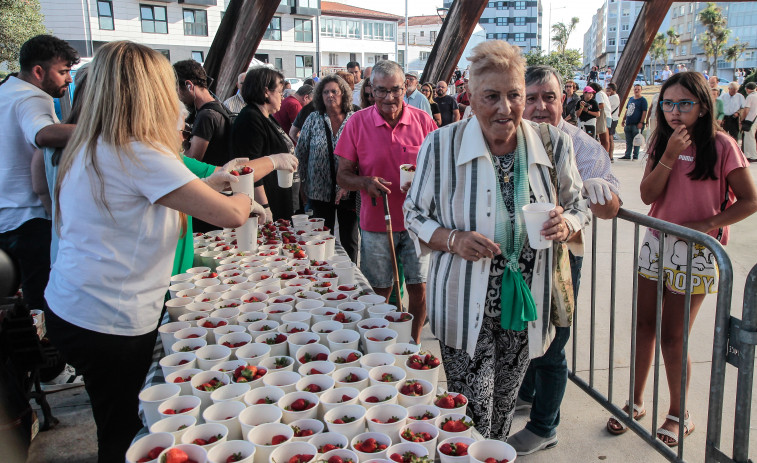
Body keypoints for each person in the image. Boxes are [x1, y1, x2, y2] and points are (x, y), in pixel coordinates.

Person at [44, 41, 255, 462]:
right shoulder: (140, 151)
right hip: (110, 320)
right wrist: (247, 188)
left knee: (113, 416)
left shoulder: (92, 143)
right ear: (152, 92)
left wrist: (212, 182)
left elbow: (161, 193)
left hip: (72, 307)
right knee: (123, 431)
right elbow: (232, 215)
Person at [403, 40, 589, 441]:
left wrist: (567, 224)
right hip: (462, 299)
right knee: (470, 412)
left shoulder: (554, 143)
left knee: (504, 408)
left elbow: (579, 206)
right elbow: (413, 214)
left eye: (514, 95)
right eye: (491, 96)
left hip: (523, 303)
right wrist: (452, 239)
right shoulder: (442, 144)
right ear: (470, 97)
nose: (505, 108)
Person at [607, 71, 757, 446]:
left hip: (698, 250)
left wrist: (710, 223)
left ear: (703, 106)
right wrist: (670, 154)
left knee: (674, 337)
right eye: (669, 103)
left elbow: (751, 200)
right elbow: (646, 194)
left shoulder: (722, 146)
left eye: (685, 104)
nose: (675, 111)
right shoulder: (661, 140)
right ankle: (635, 402)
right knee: (644, 326)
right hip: (657, 243)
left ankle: (679, 412)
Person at [508, 64, 620, 455]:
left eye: (549, 98)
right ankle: (527, 393)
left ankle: (545, 426)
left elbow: (609, 209)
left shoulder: (581, 145)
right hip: (518, 258)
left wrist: (590, 198)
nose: (540, 107)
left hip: (561, 260)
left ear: (563, 100)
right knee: (524, 335)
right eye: (532, 97)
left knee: (552, 344)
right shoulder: (510, 137)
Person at [335, 60, 437, 343]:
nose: (389, 98)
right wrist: (365, 182)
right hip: (377, 222)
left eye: (395, 90)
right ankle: (382, 344)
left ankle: (413, 344)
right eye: (381, 91)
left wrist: (426, 181)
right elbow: (343, 176)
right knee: (379, 291)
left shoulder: (423, 120)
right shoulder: (357, 122)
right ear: (370, 90)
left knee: (420, 290)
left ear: (406, 88)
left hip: (418, 223)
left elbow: (440, 169)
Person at [0, 35, 78, 311]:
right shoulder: (32, 98)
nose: (69, 79)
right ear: (38, 71)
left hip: (6, 218)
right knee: (41, 306)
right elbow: (43, 134)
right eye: (63, 71)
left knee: (13, 307)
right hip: (31, 220)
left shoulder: (5, 91)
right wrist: (108, 129)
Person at [296, 74, 359, 261]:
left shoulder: (354, 118)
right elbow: (301, 153)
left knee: (350, 241)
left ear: (343, 94)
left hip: (349, 190)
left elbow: (363, 153)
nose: (330, 95)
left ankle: (352, 278)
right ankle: (324, 277)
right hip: (318, 191)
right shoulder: (313, 118)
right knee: (321, 239)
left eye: (334, 91)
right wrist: (302, 185)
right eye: (325, 92)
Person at [231, 67, 298, 221]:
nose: (282, 97)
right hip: (267, 201)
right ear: (266, 91)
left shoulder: (266, 116)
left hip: (279, 195)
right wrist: (265, 208)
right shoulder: (250, 118)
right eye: (280, 92)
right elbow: (249, 168)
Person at [175, 60, 233, 167]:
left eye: (176, 89)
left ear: (189, 86)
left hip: (211, 179)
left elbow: (193, 159)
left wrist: (178, 140)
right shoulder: (220, 107)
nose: (176, 95)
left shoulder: (206, 116)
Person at [620, 84, 648, 160]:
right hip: (628, 123)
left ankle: (635, 156)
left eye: (638, 89)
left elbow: (644, 112)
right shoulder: (631, 99)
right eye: (635, 89)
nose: (636, 91)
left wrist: (641, 122)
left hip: (637, 123)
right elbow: (627, 109)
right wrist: (623, 119)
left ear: (641, 90)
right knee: (628, 140)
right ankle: (627, 155)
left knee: (637, 140)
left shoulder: (643, 100)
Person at [590, 82, 611, 154]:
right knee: (605, 136)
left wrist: (592, 109)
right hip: (607, 115)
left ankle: (605, 153)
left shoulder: (599, 94)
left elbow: (601, 105)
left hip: (604, 116)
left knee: (604, 137)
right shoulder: (603, 93)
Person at [742, 82, 757, 162]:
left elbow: (746, 110)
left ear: (747, 89)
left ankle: (752, 155)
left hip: (750, 119)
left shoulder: (750, 97)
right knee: (751, 137)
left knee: (749, 138)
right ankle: (749, 154)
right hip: (756, 119)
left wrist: (742, 119)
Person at [607, 83, 621, 160]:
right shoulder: (615, 97)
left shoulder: (613, 97)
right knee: (610, 137)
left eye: (608, 89)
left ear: (612, 89)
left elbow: (606, 105)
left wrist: (607, 96)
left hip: (612, 119)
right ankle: (610, 155)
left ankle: (610, 155)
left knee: (610, 137)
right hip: (613, 119)